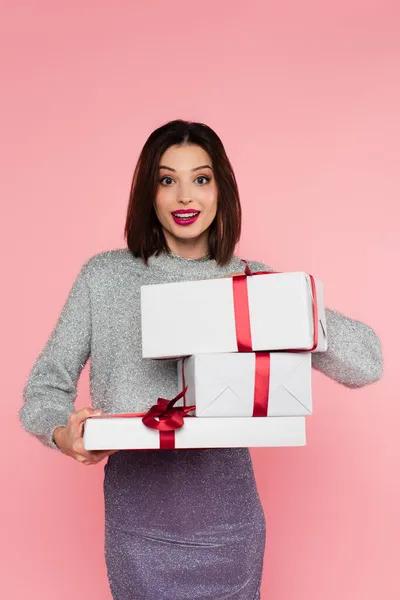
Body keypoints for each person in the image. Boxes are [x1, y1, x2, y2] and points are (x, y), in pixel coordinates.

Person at [19, 119, 383, 600]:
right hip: (138, 531)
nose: (185, 197)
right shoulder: (104, 277)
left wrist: (289, 308)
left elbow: (369, 363)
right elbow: (43, 391)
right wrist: (65, 434)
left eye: (202, 179)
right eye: (167, 180)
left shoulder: (252, 285)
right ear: (148, 192)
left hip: (230, 532)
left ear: (221, 189)